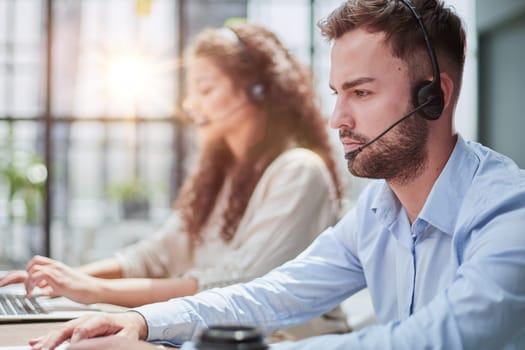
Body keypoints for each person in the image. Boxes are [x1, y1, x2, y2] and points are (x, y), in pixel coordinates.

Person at [28, 0, 525, 349]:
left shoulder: (508, 212)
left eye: (363, 93)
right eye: (337, 93)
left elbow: (437, 341)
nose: (338, 120)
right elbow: (271, 293)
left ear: (432, 96)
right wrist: (142, 321)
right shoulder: (377, 211)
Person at [0, 22, 347, 334]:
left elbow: (239, 285)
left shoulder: (300, 171)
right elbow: (154, 257)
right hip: (212, 337)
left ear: (259, 90)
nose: (192, 104)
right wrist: (62, 281)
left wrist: (94, 291)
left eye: (206, 89)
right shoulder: (221, 177)